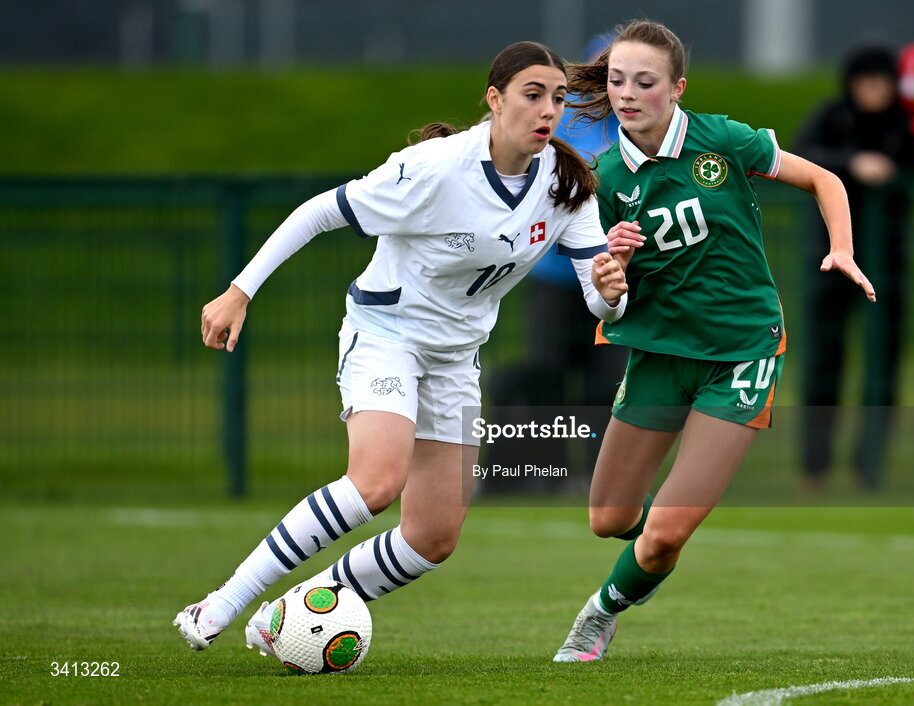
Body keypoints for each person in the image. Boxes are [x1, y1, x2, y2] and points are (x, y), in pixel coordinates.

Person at [173, 40, 629, 655]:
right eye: (531, 95)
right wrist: (239, 291)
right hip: (387, 337)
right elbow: (317, 212)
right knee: (376, 481)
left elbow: (600, 304)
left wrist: (611, 291)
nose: (548, 109)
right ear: (494, 101)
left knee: (432, 538)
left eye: (556, 98)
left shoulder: (566, 185)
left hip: (455, 357)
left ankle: (289, 611)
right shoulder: (436, 169)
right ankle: (224, 600)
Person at [549, 20, 875, 663]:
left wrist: (840, 248)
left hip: (741, 351)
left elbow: (826, 181)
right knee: (610, 520)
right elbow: (607, 291)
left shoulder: (721, 140)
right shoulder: (607, 177)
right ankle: (658, 544)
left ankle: (600, 612)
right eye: (617, 81)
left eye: (645, 82)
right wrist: (611, 275)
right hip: (660, 356)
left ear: (677, 89)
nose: (628, 93)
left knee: (666, 529)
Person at [794, 43, 914, 491]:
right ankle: (815, 468)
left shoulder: (910, 124)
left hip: (888, 266)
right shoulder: (832, 118)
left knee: (883, 371)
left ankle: (867, 467)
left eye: (882, 81)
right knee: (823, 364)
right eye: (866, 81)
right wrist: (852, 164)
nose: (874, 90)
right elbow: (798, 153)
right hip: (831, 262)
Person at [486, 33, 625, 494]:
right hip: (553, 277)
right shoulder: (560, 122)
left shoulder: (636, 125)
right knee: (548, 375)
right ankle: (545, 471)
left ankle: (596, 473)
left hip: (610, 277)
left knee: (606, 379)